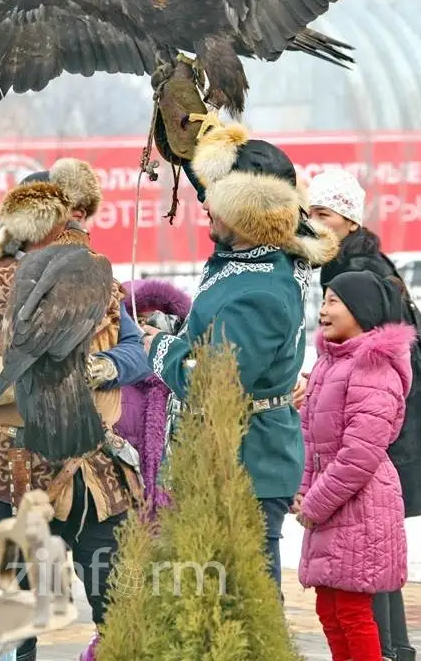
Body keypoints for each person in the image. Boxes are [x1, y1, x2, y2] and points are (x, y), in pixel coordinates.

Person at [0, 158, 150, 661]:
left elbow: (136, 352)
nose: (74, 225)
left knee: (120, 611)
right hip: (14, 474)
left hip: (94, 475)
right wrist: (42, 375)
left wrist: (98, 367)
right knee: (17, 624)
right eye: (64, 215)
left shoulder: (93, 277)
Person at [142, 120, 339, 590]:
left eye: (217, 201)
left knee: (247, 600)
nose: (206, 205)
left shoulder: (260, 290)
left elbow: (212, 380)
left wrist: (156, 346)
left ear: (245, 215)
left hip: (247, 464)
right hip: (229, 457)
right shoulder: (250, 259)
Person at [299, 168, 421, 661]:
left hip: (380, 437)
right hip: (373, 435)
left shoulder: (363, 273)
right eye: (310, 215)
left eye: (323, 215)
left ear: (348, 220)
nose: (314, 225)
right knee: (363, 571)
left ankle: (392, 650)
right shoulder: (346, 267)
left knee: (368, 570)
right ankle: (392, 649)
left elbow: (378, 362)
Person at [296, 270, 415, 661]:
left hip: (361, 506)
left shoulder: (372, 368)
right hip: (334, 503)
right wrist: (302, 491)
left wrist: (314, 503)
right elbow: (314, 440)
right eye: (324, 299)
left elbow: (358, 454)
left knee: (351, 611)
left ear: (361, 311)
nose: (324, 309)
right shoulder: (332, 363)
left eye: (334, 301)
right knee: (329, 609)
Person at [118, 279, 192, 519]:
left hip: (180, 511)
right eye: (139, 321)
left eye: (158, 319)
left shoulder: (186, 382)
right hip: (125, 506)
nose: (148, 329)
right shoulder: (116, 382)